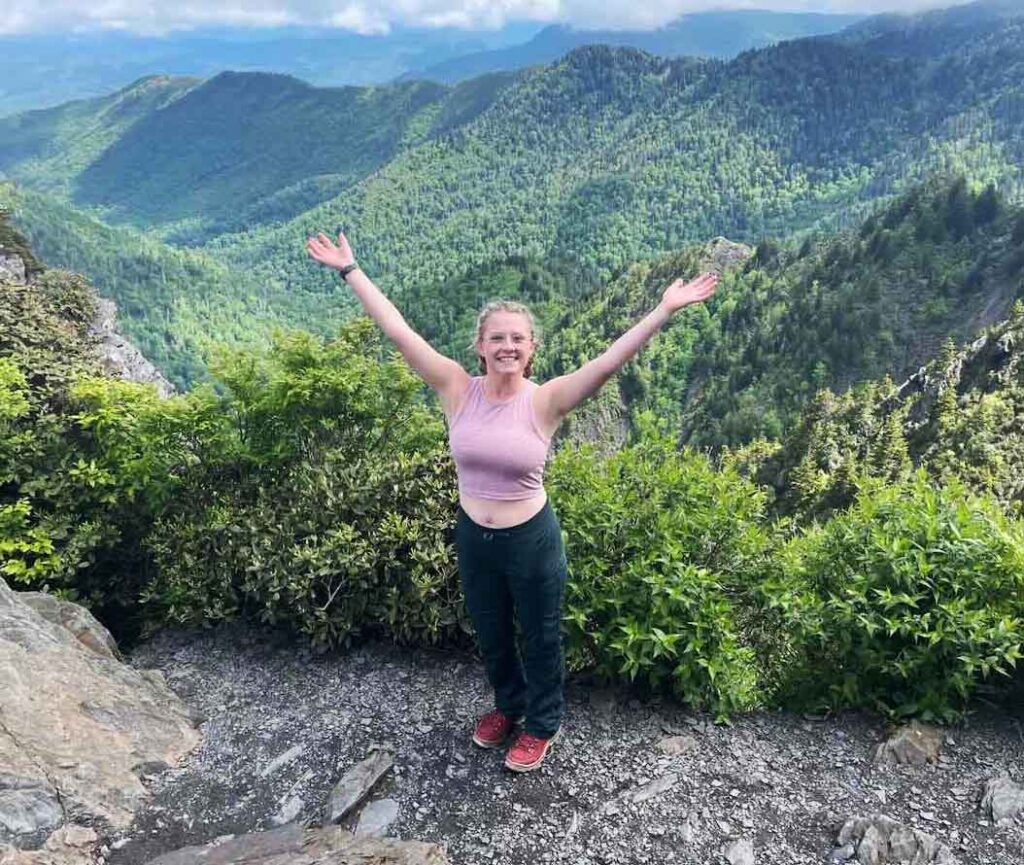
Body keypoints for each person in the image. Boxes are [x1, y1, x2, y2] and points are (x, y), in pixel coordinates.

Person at [305, 231, 718, 772]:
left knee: (541, 634)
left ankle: (542, 724)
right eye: (497, 338)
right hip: (474, 536)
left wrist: (663, 309)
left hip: (530, 539)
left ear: (531, 349)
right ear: (480, 347)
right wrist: (350, 269)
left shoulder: (546, 401)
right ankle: (508, 705)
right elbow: (398, 331)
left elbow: (608, 363)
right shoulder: (456, 387)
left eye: (518, 339)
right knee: (492, 630)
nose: (507, 347)